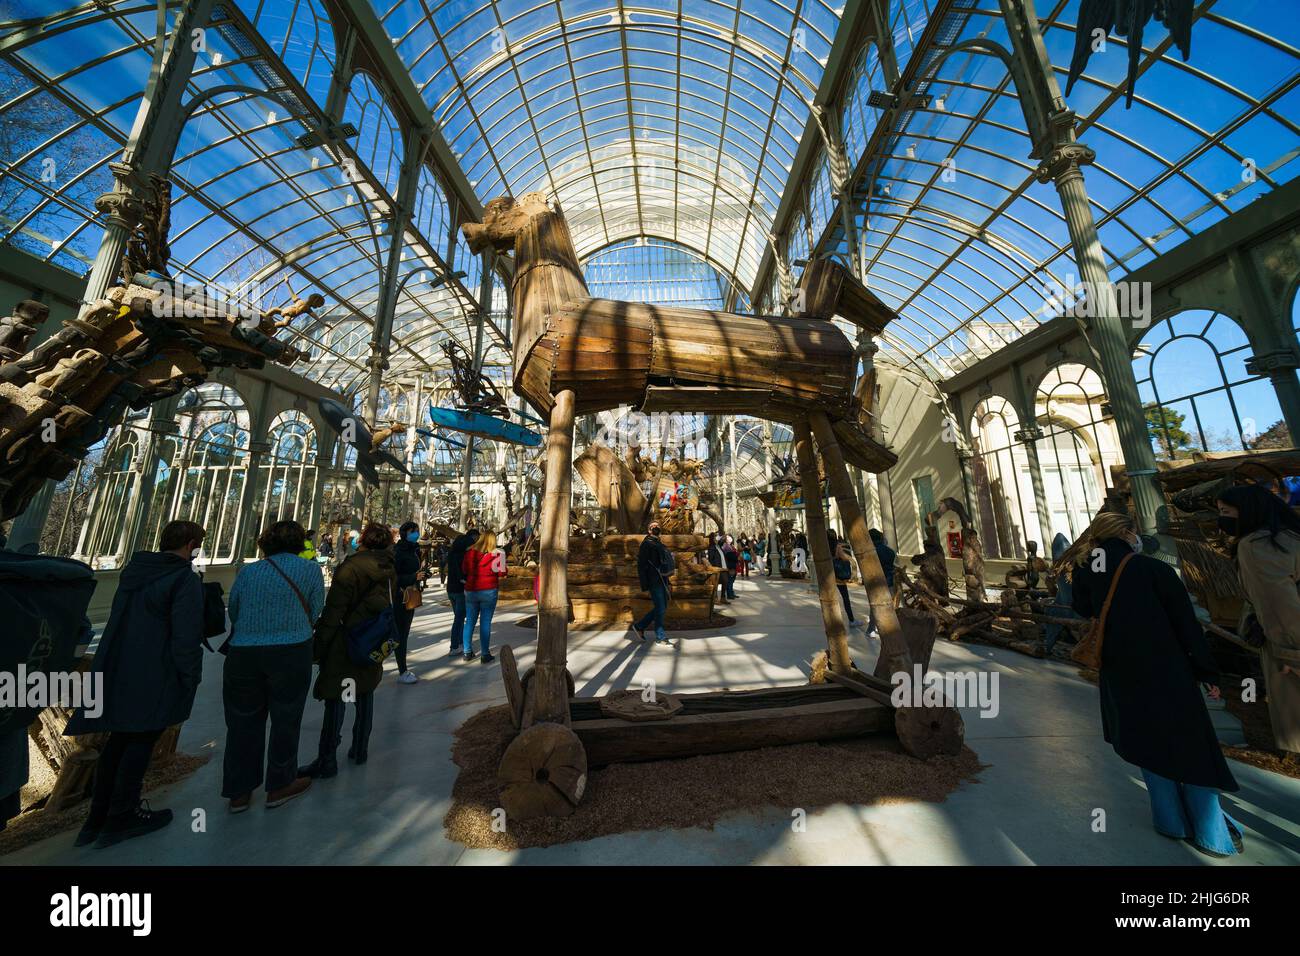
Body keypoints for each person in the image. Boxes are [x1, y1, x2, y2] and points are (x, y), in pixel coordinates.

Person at [1071, 511, 1242, 857]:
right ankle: (1212, 834)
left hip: (1120, 671)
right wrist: (1207, 672)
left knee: (1145, 740)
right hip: (1167, 670)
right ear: (1128, 533)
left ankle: (1170, 821)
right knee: (1189, 744)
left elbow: (1082, 607)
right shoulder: (1153, 570)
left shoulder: (1085, 568)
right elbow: (1187, 626)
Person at [67, 520, 206, 849]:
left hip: (121, 666)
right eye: (199, 544)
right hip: (155, 670)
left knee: (117, 741)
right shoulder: (183, 578)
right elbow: (185, 637)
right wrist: (190, 675)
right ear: (190, 545)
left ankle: (96, 819)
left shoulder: (136, 571)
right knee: (141, 740)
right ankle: (121, 815)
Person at [221, 520, 324, 813]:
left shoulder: (249, 570)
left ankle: (238, 792)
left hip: (243, 653)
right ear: (299, 543)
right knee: (286, 717)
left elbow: (235, 608)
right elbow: (316, 608)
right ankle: (279, 785)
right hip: (291, 650)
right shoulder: (309, 569)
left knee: (241, 722)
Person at [300, 523, 397, 778]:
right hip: (372, 638)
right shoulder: (389, 567)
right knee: (364, 692)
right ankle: (360, 749)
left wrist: (319, 646)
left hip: (347, 640)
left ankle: (327, 758)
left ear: (362, 540)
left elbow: (334, 610)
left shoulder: (351, 567)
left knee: (337, 697)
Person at [1217, 484, 1300, 761]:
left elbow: (1278, 605)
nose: (1222, 519)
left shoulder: (1256, 546)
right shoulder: (1289, 536)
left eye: (1226, 512)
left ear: (1248, 512)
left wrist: (1290, 652)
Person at [461, 529, 506, 664]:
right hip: (489, 591)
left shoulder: (469, 553)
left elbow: (464, 570)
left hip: (471, 590)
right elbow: (502, 573)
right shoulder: (498, 554)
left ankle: (467, 652)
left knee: (469, 621)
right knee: (485, 623)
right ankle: (485, 654)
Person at [633, 520, 676, 646]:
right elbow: (641, 565)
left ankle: (640, 626)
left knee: (662, 607)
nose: (655, 527)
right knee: (661, 607)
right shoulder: (647, 543)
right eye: (652, 526)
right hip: (654, 580)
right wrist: (645, 583)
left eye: (657, 526)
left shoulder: (659, 543)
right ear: (649, 530)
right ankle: (660, 637)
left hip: (663, 579)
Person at [392, 520, 425, 684]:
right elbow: (393, 577)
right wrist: (413, 577)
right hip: (400, 597)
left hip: (410, 596)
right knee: (400, 634)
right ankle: (402, 670)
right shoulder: (399, 551)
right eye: (413, 531)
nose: (416, 534)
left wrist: (420, 576)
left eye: (417, 530)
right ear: (405, 533)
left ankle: (401, 667)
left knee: (402, 633)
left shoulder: (414, 549)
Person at [443, 528, 478, 657]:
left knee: (459, 618)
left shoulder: (451, 555)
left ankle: (461, 642)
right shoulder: (463, 557)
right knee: (459, 619)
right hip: (460, 591)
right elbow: (463, 575)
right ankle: (454, 646)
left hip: (450, 590)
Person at [867, 528, 896, 635]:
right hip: (889, 581)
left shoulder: (871, 552)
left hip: (875, 582)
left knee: (874, 605)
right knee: (888, 604)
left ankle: (871, 628)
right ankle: (887, 626)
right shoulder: (890, 552)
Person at [833, 538, 859, 628]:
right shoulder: (844, 555)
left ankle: (835, 621)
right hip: (841, 582)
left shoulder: (833, 555)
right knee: (846, 600)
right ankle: (851, 620)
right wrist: (853, 578)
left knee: (835, 601)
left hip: (833, 581)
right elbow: (853, 564)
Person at [708, 532, 729, 604]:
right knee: (716, 584)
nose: (716, 538)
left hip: (724, 567)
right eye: (715, 537)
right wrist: (714, 567)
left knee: (725, 582)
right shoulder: (711, 547)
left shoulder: (719, 546)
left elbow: (722, 540)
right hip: (717, 568)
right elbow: (711, 558)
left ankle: (723, 597)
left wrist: (723, 535)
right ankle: (715, 598)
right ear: (712, 539)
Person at [722, 534, 739, 599]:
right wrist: (736, 556)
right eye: (728, 537)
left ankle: (731, 593)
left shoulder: (730, 546)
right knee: (730, 580)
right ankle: (729, 594)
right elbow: (730, 556)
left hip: (733, 564)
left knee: (732, 580)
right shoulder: (726, 546)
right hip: (730, 565)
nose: (730, 538)